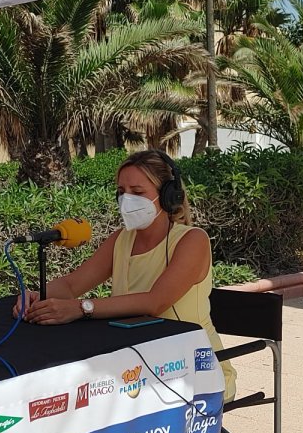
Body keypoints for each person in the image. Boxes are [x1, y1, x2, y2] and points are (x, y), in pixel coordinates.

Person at [15, 149, 237, 400]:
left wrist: (81, 308)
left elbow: (154, 302)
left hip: (195, 368)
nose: (127, 200)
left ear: (168, 196)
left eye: (138, 192)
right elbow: (71, 284)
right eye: (121, 192)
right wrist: (34, 295)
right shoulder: (121, 239)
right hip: (135, 364)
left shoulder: (192, 240)